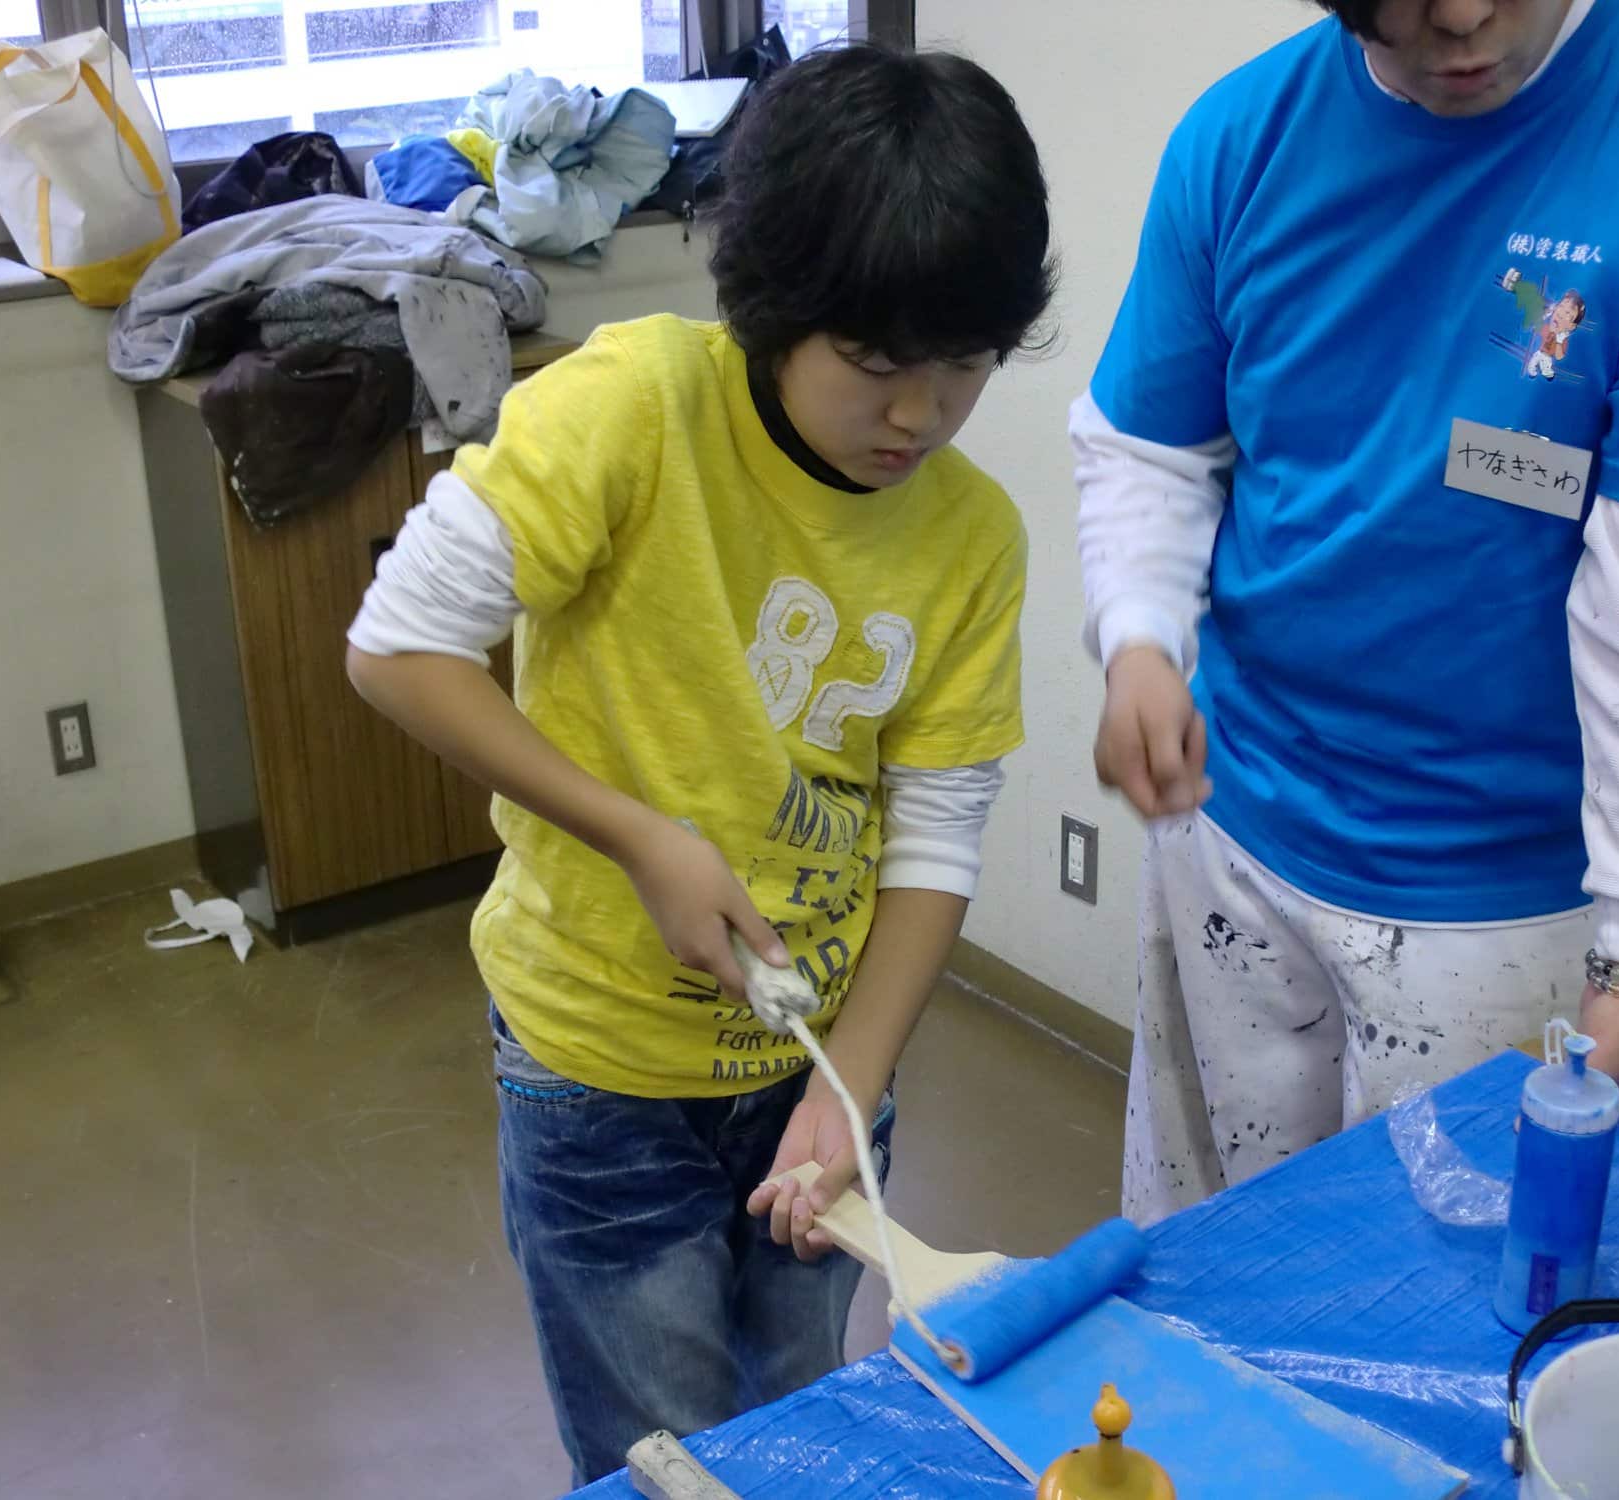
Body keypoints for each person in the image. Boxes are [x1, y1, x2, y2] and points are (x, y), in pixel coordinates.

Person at [346, 44, 1053, 1484]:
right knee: (658, 1451)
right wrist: (640, 837)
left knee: (801, 1421)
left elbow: (936, 836)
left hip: (819, 1069)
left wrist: (848, 1088)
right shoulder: (638, 408)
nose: (919, 414)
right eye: (876, 364)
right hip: (599, 1073)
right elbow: (397, 646)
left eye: (965, 364)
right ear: (776, 306)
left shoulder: (972, 535)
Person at [1076, 0, 1619, 1222]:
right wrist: (1139, 638)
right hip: (1233, 828)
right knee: (1203, 1257)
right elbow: (1147, 444)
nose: (1462, 15)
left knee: (1427, 1292)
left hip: (1498, 901)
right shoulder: (1241, 134)